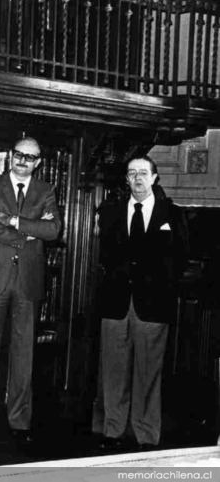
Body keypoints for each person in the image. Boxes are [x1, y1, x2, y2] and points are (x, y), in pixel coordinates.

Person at [0, 137, 61, 444]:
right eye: (18, 155)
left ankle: (20, 420)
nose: (23, 161)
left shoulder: (45, 190)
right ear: (11, 157)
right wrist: (29, 231)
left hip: (28, 279)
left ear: (38, 162)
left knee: (24, 352)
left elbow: (53, 230)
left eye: (30, 157)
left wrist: (14, 220)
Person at [94, 155, 187, 451]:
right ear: (126, 179)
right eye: (132, 173)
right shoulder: (109, 212)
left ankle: (146, 436)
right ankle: (112, 431)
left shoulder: (172, 214)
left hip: (153, 305)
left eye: (144, 173)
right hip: (115, 303)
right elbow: (104, 255)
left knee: (148, 374)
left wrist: (160, 285)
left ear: (155, 178)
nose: (137, 178)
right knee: (113, 371)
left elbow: (180, 257)